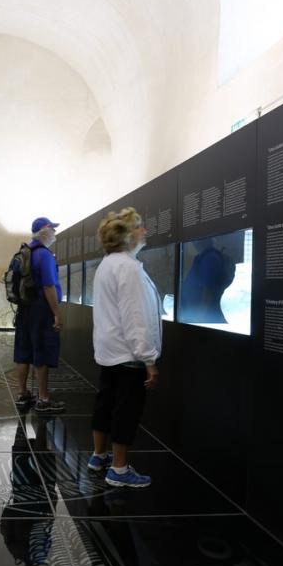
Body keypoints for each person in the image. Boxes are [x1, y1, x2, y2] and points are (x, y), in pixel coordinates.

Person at [88, 207, 162, 488]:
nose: (145, 231)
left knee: (105, 402)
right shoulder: (128, 267)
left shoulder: (108, 263)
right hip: (127, 353)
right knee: (126, 408)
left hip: (109, 351)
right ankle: (119, 469)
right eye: (140, 226)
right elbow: (135, 316)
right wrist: (149, 359)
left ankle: (98, 456)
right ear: (127, 235)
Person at [13, 216, 65, 413]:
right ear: (44, 230)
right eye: (52, 229)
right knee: (41, 350)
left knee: (23, 350)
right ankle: (43, 398)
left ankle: (22, 393)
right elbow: (49, 286)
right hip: (42, 311)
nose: (54, 233)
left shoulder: (24, 252)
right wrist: (57, 313)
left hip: (24, 309)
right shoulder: (44, 255)